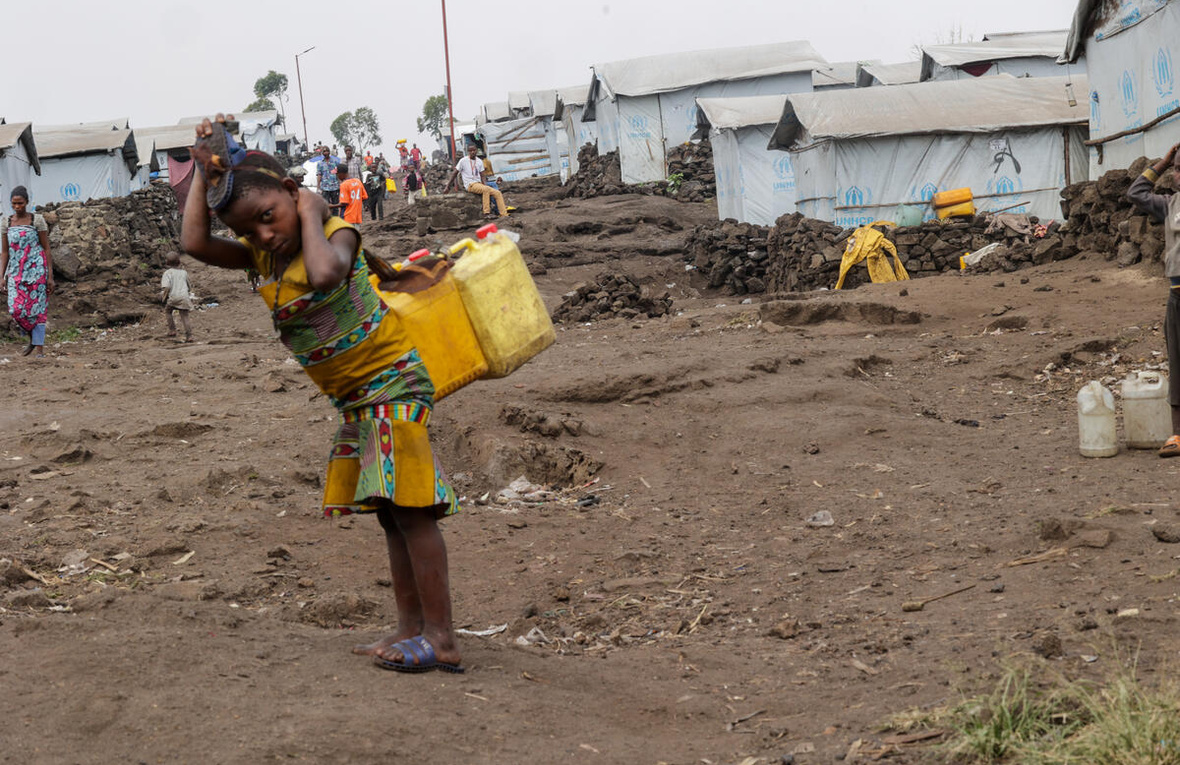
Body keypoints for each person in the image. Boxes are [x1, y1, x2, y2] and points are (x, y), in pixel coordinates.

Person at [180, 116, 463, 673]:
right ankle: (411, 628)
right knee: (390, 512)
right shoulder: (264, 257)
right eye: (250, 231)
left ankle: (443, 639)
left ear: (292, 193)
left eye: (269, 217)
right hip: (359, 399)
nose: (264, 235)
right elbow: (192, 242)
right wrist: (202, 170)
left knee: (413, 511)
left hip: (392, 383)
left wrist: (310, 209)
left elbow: (329, 274)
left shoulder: (336, 232)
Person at [1128, 142, 1180, 457]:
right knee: (1178, 364)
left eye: (1179, 169)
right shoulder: (1169, 204)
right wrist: (1161, 163)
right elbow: (1136, 194)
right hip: (1177, 295)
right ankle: (1177, 435)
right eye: (1177, 169)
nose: (1178, 174)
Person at [1, 186, 54, 357]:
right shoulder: (6, 223)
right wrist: (1, 276)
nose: (17, 207)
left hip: (37, 270)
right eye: (14, 204)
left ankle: (39, 350)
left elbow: (46, 248)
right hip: (16, 272)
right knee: (15, 310)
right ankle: (33, 338)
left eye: (20, 203)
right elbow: (5, 252)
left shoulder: (36, 221)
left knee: (37, 310)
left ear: (27, 202)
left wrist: (49, 275)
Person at [445, 144, 507, 219]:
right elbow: (455, 173)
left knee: (497, 193)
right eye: (470, 151)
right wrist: (447, 186)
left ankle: (504, 214)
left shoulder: (479, 161)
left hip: (479, 184)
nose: (472, 152)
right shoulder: (463, 161)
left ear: (476, 151)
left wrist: (484, 184)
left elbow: (482, 175)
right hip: (470, 184)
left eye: (474, 150)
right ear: (468, 152)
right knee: (486, 189)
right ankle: (486, 213)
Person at [159, 252, 194, 342]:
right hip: (184, 297)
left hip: (173, 297)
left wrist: (164, 297)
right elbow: (189, 286)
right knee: (184, 316)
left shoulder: (167, 273)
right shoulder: (184, 273)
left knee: (168, 311)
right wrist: (188, 292)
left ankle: (172, 330)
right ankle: (189, 336)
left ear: (167, 263)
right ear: (179, 262)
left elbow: (166, 287)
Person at [316, 146, 340, 214]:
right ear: (322, 153)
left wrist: (340, 183)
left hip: (334, 186)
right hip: (325, 187)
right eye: (324, 151)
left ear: (329, 152)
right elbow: (319, 175)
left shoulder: (335, 162)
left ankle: (335, 219)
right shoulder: (320, 163)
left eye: (327, 151)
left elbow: (338, 173)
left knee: (335, 205)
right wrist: (318, 187)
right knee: (326, 205)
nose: (326, 152)